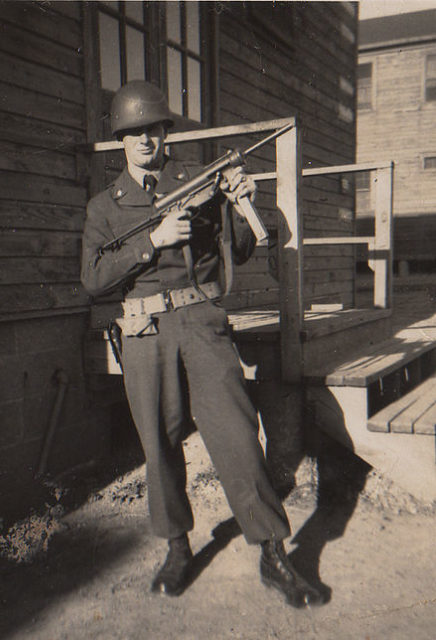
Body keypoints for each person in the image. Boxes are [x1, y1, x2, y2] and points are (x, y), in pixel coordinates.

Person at [81, 80, 321, 608]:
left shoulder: (198, 182)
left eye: (153, 129)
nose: (144, 139)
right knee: (159, 444)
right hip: (145, 335)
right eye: (133, 131)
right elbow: (93, 278)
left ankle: (274, 552)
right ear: (121, 140)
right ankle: (176, 546)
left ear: (166, 133)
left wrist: (240, 204)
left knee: (236, 433)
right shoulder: (105, 206)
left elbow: (238, 248)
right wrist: (152, 241)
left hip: (201, 321)